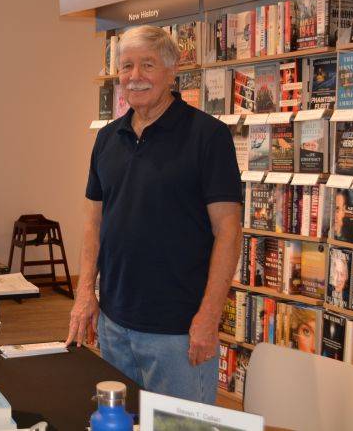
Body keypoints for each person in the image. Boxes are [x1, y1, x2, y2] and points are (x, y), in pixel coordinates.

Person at [64, 25, 242, 405]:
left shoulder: (208, 137)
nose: (135, 76)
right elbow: (93, 223)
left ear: (172, 71)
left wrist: (209, 317)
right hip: (114, 325)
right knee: (121, 424)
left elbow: (229, 231)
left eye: (148, 64)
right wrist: (85, 294)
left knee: (182, 428)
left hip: (180, 331)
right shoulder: (107, 139)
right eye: (126, 66)